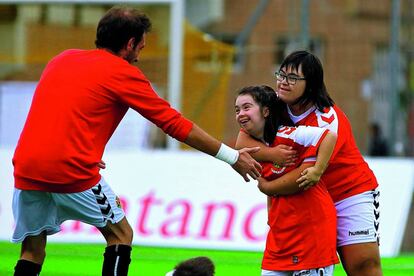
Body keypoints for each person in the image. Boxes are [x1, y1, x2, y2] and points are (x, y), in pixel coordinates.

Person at [11, 6, 262, 276]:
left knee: (32, 249)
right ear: (129, 44)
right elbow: (175, 125)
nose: (139, 57)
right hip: (70, 170)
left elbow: (62, 110)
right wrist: (232, 157)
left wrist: (82, 145)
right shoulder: (122, 72)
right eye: (140, 48)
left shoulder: (62, 59)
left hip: (26, 167)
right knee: (121, 234)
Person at [236, 51, 382, 276]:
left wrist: (267, 188)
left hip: (349, 192)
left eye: (293, 78)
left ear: (311, 83)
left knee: (362, 265)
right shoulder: (274, 105)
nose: (283, 82)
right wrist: (272, 153)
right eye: (281, 74)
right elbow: (243, 138)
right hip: (310, 199)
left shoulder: (328, 119)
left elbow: (305, 175)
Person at [235, 85, 338, 276]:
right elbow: (239, 144)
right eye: (237, 109)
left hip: (311, 231)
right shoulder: (254, 146)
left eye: (247, 107)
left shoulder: (290, 134)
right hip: (281, 235)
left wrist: (317, 170)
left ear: (266, 111)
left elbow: (329, 136)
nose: (241, 114)